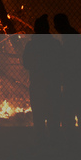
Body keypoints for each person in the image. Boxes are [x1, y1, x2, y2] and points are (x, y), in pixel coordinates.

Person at [22, 14, 62, 144]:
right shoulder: (55, 44)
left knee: (38, 115)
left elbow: (26, 64)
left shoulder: (31, 46)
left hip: (37, 84)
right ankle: (54, 142)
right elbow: (61, 63)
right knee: (53, 115)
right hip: (52, 84)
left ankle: (40, 141)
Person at [53, 13, 81, 140]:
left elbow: (68, 59)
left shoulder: (69, 37)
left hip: (73, 79)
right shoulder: (71, 35)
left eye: (56, 24)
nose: (55, 27)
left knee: (71, 109)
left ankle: (72, 137)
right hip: (77, 78)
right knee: (80, 109)